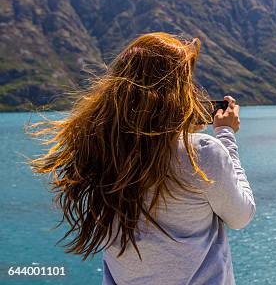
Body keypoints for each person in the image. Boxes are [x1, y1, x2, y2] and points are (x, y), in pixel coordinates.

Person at [29, 32, 255, 285]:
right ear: (176, 92)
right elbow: (241, 216)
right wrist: (225, 135)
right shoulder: (202, 152)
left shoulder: (101, 149)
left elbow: (152, 147)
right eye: (187, 82)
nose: (192, 90)